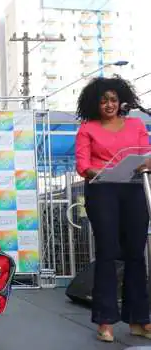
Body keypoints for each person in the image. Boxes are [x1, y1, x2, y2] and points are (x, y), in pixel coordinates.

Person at [75, 76, 151, 342]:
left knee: (136, 253)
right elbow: (83, 164)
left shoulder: (136, 124)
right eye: (104, 100)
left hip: (133, 188)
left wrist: (145, 164)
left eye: (113, 100)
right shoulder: (88, 128)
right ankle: (105, 321)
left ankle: (140, 319)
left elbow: (146, 154)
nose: (109, 104)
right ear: (95, 103)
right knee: (108, 252)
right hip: (102, 189)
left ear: (121, 102)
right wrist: (103, 171)